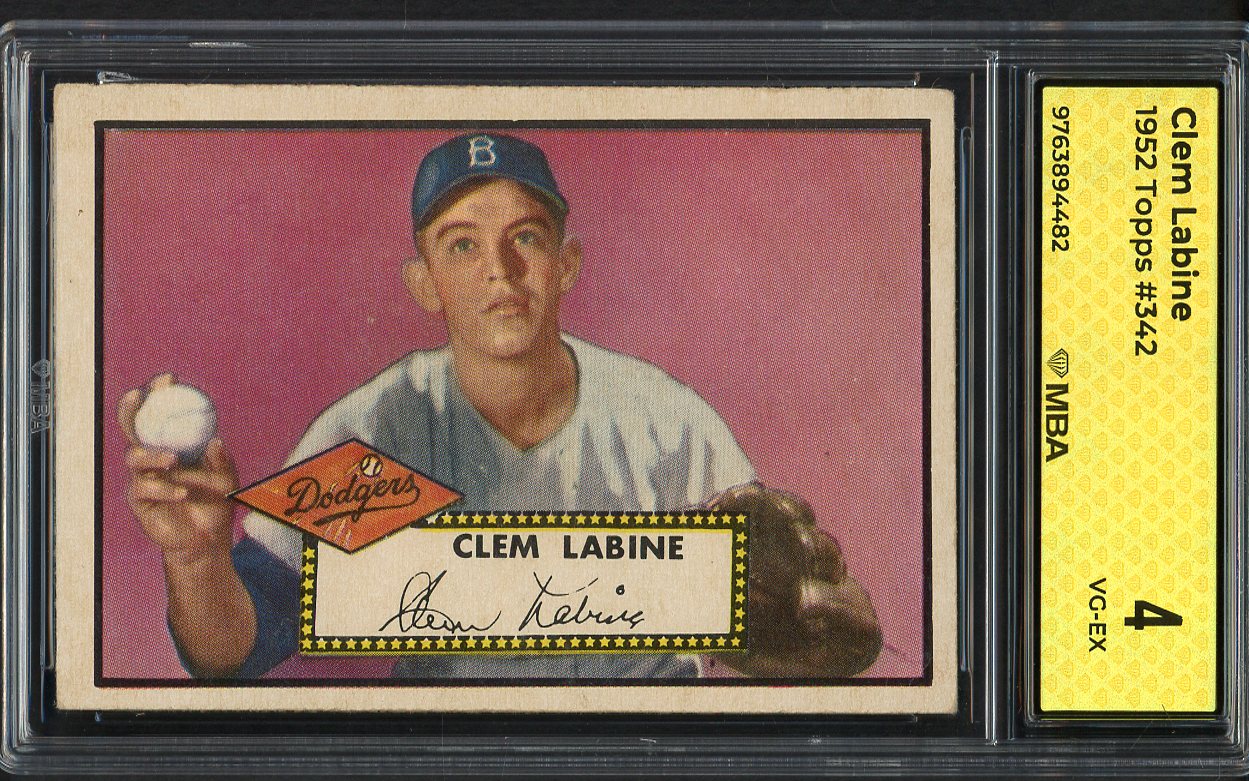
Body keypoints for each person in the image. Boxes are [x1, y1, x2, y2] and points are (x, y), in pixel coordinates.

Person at [118, 133, 882, 680]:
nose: (500, 270)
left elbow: (814, 612)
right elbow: (240, 645)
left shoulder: (664, 425)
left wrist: (811, 620)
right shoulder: (382, 430)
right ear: (424, 283)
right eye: (461, 244)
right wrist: (196, 557)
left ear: (565, 264)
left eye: (526, 237)